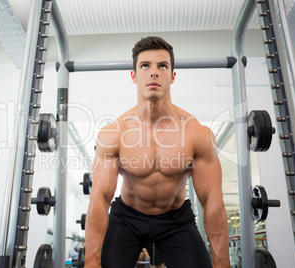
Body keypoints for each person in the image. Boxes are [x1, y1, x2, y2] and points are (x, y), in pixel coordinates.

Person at [84, 36, 230, 268]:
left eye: (162, 66)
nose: (154, 73)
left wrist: (223, 262)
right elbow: (100, 198)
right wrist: (91, 261)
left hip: (176, 220)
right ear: (134, 76)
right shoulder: (114, 133)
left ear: (172, 76)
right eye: (145, 66)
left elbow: (212, 199)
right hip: (127, 218)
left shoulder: (195, 134)